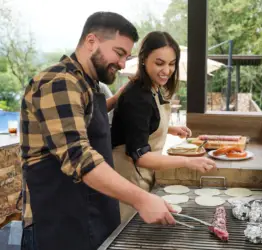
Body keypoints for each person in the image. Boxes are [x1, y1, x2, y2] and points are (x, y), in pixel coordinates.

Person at [20, 12, 176, 250]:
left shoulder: (88, 84)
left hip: (89, 218)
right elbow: (78, 156)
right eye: (119, 53)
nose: (123, 63)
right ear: (91, 41)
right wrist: (142, 198)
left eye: (127, 56)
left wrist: (118, 96)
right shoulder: (58, 82)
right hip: (58, 226)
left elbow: (92, 118)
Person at [111, 31, 217, 222]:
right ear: (143, 59)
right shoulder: (137, 97)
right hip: (127, 177)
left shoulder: (154, 87)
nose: (167, 70)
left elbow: (142, 123)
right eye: (159, 63)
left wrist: (169, 129)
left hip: (141, 176)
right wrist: (187, 161)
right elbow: (140, 156)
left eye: (171, 63)